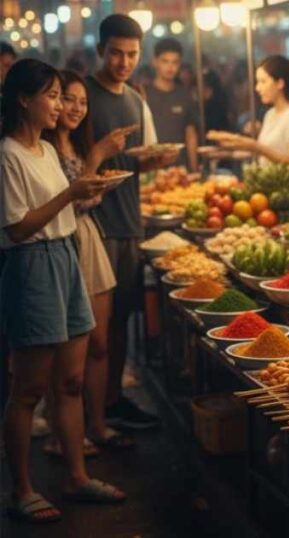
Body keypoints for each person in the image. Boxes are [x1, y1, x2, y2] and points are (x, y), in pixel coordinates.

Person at [2, 58, 126, 524]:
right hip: (32, 265)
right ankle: (21, 489)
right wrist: (72, 194)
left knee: (71, 381)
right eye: (52, 96)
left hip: (65, 258)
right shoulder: (8, 154)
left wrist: (80, 192)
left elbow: (62, 211)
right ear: (23, 99)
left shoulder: (48, 152)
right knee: (30, 388)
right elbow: (17, 227)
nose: (60, 105)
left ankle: (76, 476)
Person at [41, 69, 138, 457]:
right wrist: (98, 156)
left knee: (100, 342)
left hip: (91, 238)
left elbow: (88, 194)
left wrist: (95, 163)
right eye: (68, 99)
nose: (77, 108)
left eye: (83, 101)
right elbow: (70, 198)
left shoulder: (76, 147)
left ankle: (96, 423)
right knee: (64, 351)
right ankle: (61, 432)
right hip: (64, 241)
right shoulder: (44, 149)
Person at [87, 15, 175, 430]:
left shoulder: (137, 101)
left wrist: (158, 160)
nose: (124, 62)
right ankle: (90, 415)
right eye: (117, 53)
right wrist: (102, 152)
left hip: (128, 221)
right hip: (92, 226)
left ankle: (113, 400)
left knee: (121, 319)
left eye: (132, 55)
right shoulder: (82, 95)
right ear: (100, 49)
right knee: (92, 333)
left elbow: (144, 157)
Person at [211, 55, 289, 165]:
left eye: (263, 82)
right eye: (257, 82)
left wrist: (256, 147)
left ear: (280, 83)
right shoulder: (270, 114)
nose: (257, 88)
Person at [144, 38, 199, 170]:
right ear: (155, 62)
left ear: (180, 64)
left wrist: (194, 168)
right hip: (151, 168)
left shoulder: (185, 96)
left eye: (175, 62)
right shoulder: (144, 95)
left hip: (180, 168)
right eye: (165, 61)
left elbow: (190, 135)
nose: (170, 67)